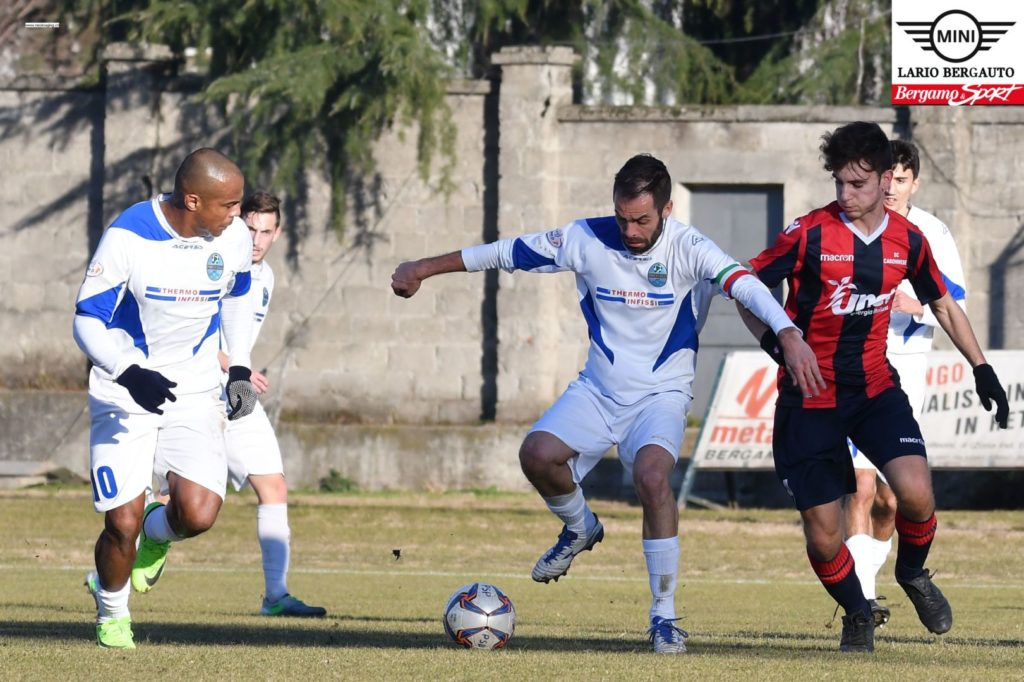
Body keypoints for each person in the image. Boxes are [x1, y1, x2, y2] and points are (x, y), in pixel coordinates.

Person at [391, 154, 823, 654]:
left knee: (653, 478)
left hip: (661, 393)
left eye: (641, 219)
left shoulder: (690, 246)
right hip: (598, 389)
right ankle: (580, 527)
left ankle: (663, 615)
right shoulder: (586, 238)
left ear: (667, 208)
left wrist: (789, 333)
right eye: (622, 217)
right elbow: (505, 252)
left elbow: (742, 283)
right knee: (537, 455)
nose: (630, 230)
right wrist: (424, 267)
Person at [742, 122, 1009, 653]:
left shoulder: (909, 240)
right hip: (810, 397)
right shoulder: (809, 232)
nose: (846, 195)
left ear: (887, 180)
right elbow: (747, 287)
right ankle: (858, 612)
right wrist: (781, 346)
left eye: (858, 184)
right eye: (839, 182)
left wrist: (981, 368)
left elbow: (942, 304)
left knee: (914, 492)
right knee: (822, 534)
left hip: (874, 388)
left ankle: (912, 574)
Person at [75, 148, 259, 649]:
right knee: (122, 522)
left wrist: (238, 365)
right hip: (125, 387)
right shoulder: (129, 236)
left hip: (195, 389)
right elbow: (87, 319)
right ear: (193, 200)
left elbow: (240, 294)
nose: (238, 218)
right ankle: (112, 613)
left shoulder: (234, 237)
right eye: (229, 206)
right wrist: (127, 370)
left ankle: (159, 538)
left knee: (198, 513)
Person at [146, 192, 326, 617]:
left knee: (274, 487)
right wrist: (233, 365)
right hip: (194, 391)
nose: (257, 239)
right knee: (173, 500)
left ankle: (276, 596)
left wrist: (238, 371)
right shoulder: (213, 262)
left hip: (235, 396)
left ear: (278, 233)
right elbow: (189, 329)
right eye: (250, 229)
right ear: (235, 224)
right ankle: (110, 576)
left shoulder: (265, 276)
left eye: (266, 231)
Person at [843, 139, 969, 628]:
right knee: (858, 485)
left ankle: (905, 574)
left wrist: (917, 304)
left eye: (900, 179)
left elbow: (954, 296)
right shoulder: (851, 226)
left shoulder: (932, 233)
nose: (891, 188)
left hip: (908, 368)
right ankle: (862, 604)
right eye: (885, 178)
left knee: (893, 499)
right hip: (857, 367)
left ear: (915, 182)